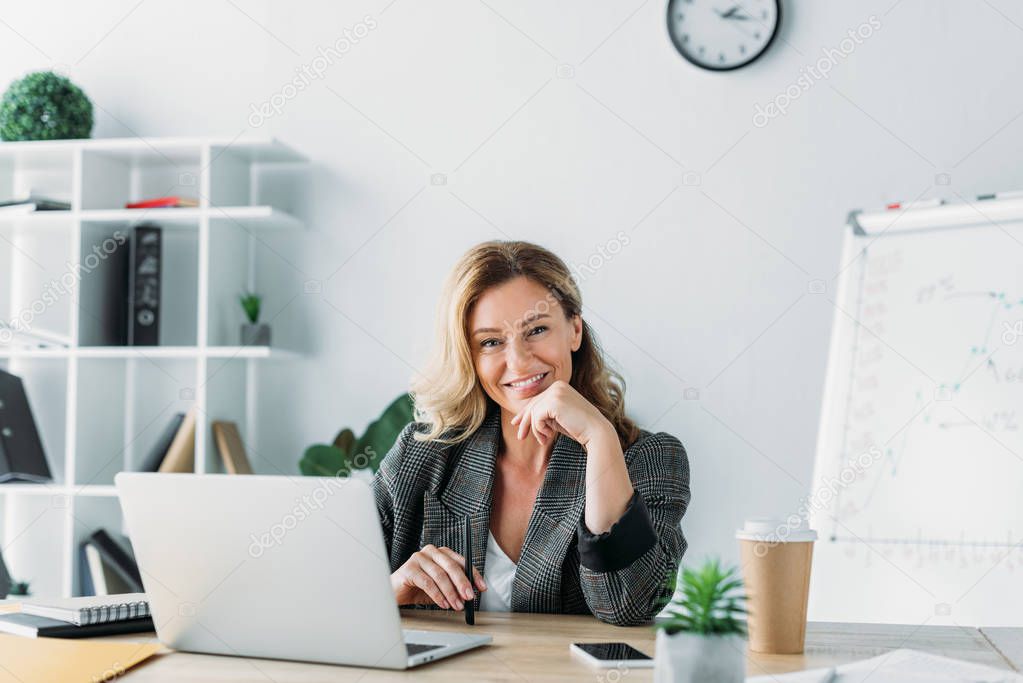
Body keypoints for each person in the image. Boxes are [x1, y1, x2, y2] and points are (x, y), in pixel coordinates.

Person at [373, 240, 690, 626]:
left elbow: (628, 606)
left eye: (536, 330)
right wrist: (391, 592)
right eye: (491, 342)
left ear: (574, 330)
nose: (519, 361)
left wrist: (599, 438)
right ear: (469, 356)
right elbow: (325, 600)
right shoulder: (419, 455)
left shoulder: (650, 459)